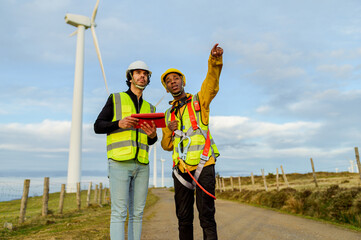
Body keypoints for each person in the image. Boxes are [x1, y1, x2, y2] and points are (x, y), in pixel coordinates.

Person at [160, 44, 223, 240]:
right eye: (169, 81)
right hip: (181, 171)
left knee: (206, 217)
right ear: (167, 87)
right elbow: (166, 145)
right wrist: (169, 131)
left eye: (176, 79)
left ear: (182, 81)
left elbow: (211, 84)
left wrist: (214, 61)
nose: (173, 83)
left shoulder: (199, 101)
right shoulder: (168, 114)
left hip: (204, 165)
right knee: (184, 218)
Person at [94, 60, 157, 240]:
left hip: (142, 165)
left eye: (145, 74)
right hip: (119, 164)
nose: (142, 76)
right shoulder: (115, 99)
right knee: (119, 213)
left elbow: (152, 141)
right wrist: (118, 123)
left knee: (137, 214)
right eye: (138, 73)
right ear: (130, 77)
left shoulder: (150, 108)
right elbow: (98, 126)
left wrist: (152, 135)